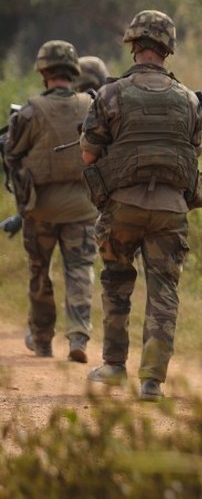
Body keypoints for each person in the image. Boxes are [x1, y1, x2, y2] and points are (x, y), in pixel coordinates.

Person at [80, 10, 202, 402]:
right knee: (164, 290)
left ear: (133, 46)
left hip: (122, 205)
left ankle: (115, 366)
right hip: (170, 208)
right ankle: (152, 380)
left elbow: (88, 155)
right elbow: (195, 151)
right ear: (168, 50)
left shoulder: (110, 94)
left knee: (116, 282)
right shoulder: (188, 98)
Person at [4, 40, 98, 362]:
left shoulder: (31, 111)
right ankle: (78, 337)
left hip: (40, 208)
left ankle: (42, 340)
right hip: (84, 208)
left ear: (43, 72)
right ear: (73, 71)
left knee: (40, 272)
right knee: (80, 271)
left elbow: (12, 155)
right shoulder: (92, 106)